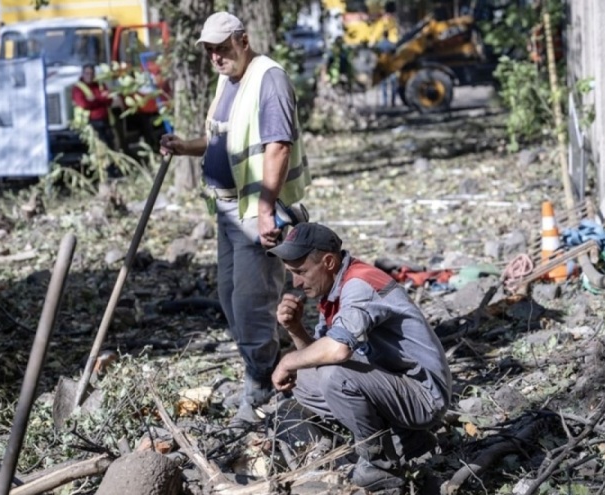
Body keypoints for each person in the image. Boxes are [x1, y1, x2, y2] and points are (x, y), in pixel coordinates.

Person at [159, 12, 310, 424]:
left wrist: (264, 210)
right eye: (209, 51)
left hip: (256, 211)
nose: (215, 58)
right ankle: (272, 359)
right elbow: (222, 139)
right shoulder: (229, 79)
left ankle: (263, 385)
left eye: (222, 49)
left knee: (249, 300)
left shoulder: (269, 78)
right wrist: (187, 147)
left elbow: (277, 146)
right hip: (228, 209)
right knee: (230, 296)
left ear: (243, 40)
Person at [268, 223, 451, 491]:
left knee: (334, 375)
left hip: (424, 397)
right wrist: (295, 329)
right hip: (395, 386)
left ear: (328, 261)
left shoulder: (359, 284)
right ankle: (405, 440)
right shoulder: (334, 287)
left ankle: (379, 466)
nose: (295, 282)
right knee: (305, 378)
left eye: (301, 272)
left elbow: (337, 351)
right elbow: (320, 355)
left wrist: (285, 361)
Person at [72, 64, 116, 149]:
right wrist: (101, 98)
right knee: (98, 147)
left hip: (105, 121)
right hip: (90, 123)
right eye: (87, 73)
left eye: (91, 73)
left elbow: (110, 100)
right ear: (82, 74)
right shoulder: (78, 88)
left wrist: (94, 98)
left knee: (110, 145)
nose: (90, 76)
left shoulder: (100, 85)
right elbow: (84, 104)